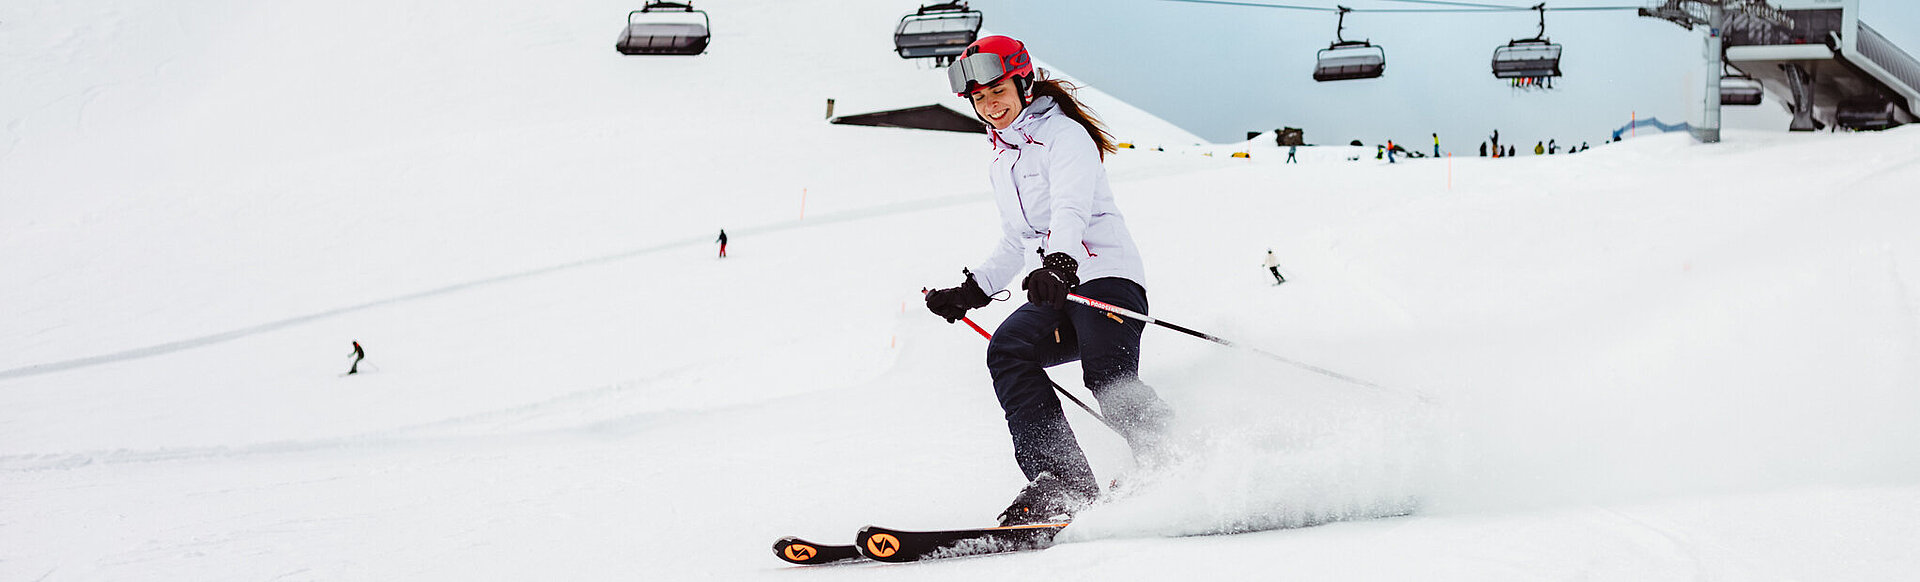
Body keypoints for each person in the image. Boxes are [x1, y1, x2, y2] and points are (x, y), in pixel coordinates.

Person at [922, 35, 1175, 528]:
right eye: (978, 98)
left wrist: (1060, 261)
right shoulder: (1003, 159)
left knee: (1107, 378)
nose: (989, 104)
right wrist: (970, 292)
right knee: (1008, 350)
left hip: (1103, 276)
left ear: (1023, 82)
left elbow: (1071, 207)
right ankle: (1063, 484)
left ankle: (1175, 459)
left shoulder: (1065, 136)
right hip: (1058, 285)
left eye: (997, 91)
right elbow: (1016, 240)